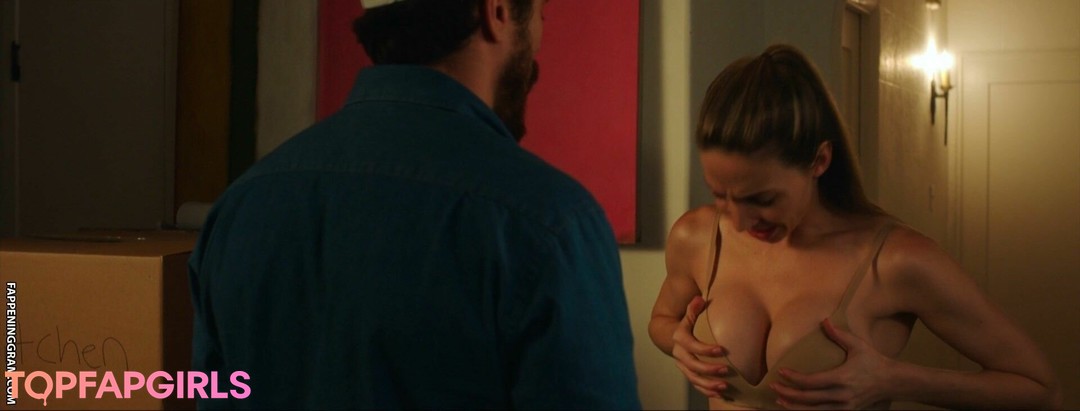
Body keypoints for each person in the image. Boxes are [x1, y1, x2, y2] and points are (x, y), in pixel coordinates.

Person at [187, 0, 640, 408]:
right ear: (498, 13)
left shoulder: (239, 207)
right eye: (541, 12)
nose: (540, 34)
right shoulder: (550, 221)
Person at [648, 44, 1060, 410]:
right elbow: (662, 321)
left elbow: (1038, 388)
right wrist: (677, 343)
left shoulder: (896, 260)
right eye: (721, 194)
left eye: (763, 199)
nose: (738, 220)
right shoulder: (696, 237)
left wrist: (894, 379)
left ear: (819, 161)